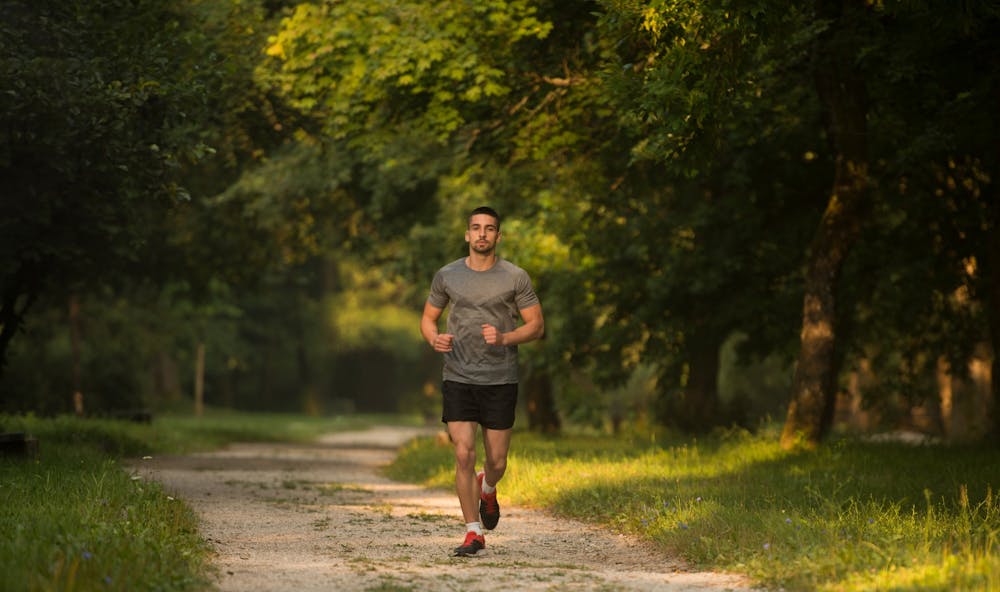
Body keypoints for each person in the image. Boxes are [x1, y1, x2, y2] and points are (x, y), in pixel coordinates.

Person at [420, 205, 545, 557]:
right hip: (458, 374)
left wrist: (505, 338)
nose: (482, 234)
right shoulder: (447, 275)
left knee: (497, 461)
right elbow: (428, 319)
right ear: (467, 234)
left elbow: (536, 325)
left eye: (489, 229)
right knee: (463, 453)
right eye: (476, 228)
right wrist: (434, 338)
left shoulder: (515, 277)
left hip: (500, 378)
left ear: (498, 236)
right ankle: (473, 532)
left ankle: (487, 487)